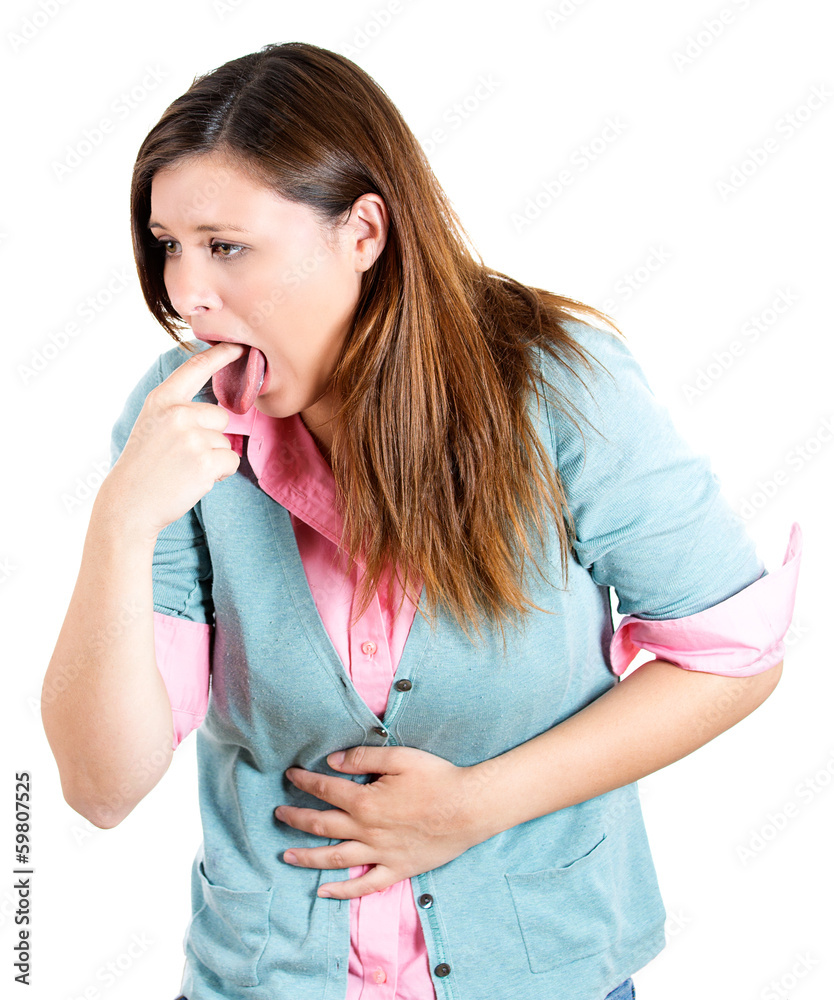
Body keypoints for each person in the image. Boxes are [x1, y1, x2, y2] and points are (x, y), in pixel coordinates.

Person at [41, 41, 802, 1000]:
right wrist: (118, 525)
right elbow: (102, 789)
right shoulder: (175, 428)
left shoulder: (558, 388)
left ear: (363, 231)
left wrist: (476, 808)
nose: (189, 294)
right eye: (168, 245)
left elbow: (729, 656)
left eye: (226, 245)